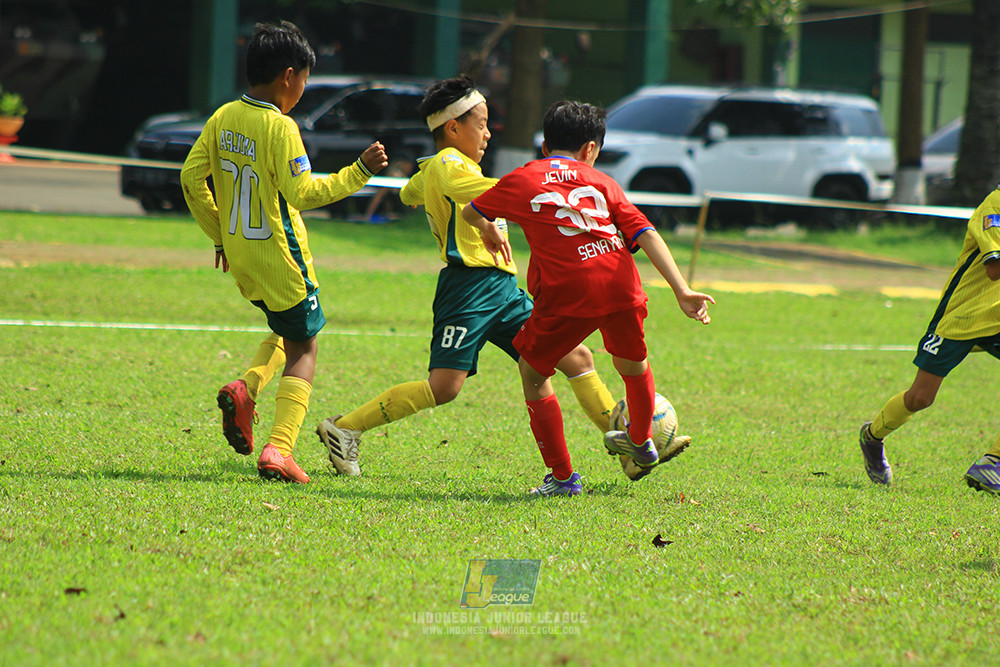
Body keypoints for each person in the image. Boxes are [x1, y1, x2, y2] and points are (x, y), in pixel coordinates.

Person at [316, 77, 651, 489]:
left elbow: (408, 194)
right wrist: (552, 189)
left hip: (502, 289)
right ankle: (345, 427)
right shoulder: (448, 162)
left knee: (576, 359)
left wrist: (435, 193)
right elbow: (483, 189)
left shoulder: (446, 166)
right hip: (468, 289)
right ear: (453, 128)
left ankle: (627, 450)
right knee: (444, 387)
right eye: (482, 124)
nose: (489, 134)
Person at [461, 100, 714, 496]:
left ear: (545, 146)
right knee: (633, 366)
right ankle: (641, 441)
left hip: (569, 291)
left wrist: (489, 226)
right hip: (621, 285)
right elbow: (645, 233)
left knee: (533, 372)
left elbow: (470, 212)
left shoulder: (523, 178)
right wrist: (681, 289)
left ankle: (563, 478)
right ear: (590, 149)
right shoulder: (602, 181)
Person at [180, 21, 388, 484]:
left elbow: (190, 179)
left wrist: (219, 235)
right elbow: (304, 193)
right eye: (305, 81)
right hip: (281, 257)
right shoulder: (280, 126)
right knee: (305, 347)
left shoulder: (223, 117)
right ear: (288, 76)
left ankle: (246, 387)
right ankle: (280, 448)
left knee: (284, 327)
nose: (303, 91)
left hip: (242, 255)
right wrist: (359, 171)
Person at [859, 186, 1000, 494]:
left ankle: (992, 462)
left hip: (997, 317)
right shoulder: (994, 205)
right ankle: (872, 437)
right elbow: (994, 268)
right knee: (920, 398)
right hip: (962, 317)